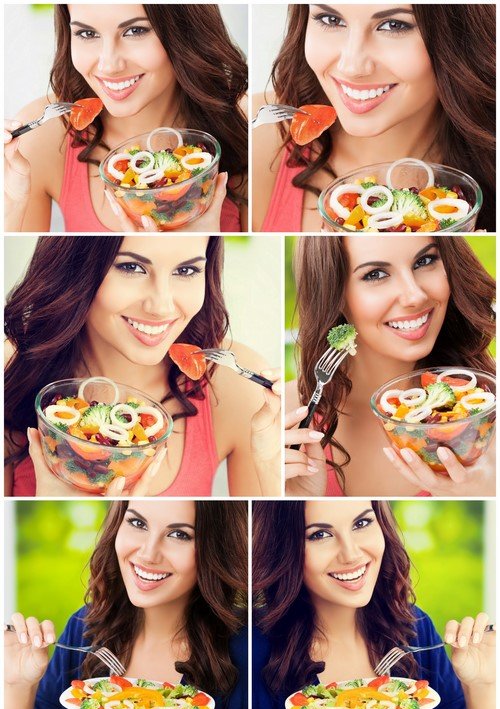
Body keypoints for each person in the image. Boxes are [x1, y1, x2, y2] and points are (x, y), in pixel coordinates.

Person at [4, 235, 282, 498]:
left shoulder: (237, 382)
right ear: (74, 267)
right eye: (131, 267)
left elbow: (261, 537)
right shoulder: (9, 368)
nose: (161, 306)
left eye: (186, 271)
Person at [5, 499, 248, 709]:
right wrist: (18, 686)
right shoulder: (83, 629)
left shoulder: (247, 650)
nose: (148, 554)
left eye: (179, 535)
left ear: (216, 547)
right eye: (138, 523)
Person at [252, 500, 496, 709]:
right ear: (283, 546)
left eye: (361, 524)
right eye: (320, 535)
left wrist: (482, 686)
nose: (351, 555)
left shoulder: (416, 628)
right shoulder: (253, 650)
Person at [4, 4, 248, 233]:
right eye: (87, 33)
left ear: (185, 30)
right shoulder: (42, 133)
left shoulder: (244, 120)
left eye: (135, 30)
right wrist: (10, 204)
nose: (109, 65)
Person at [252, 4, 495, 232]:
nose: (352, 66)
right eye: (330, 19)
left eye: (394, 25)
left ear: (461, 35)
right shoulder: (255, 130)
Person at [284, 235, 495, 497]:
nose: (414, 295)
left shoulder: (487, 399)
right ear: (332, 293)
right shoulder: (285, 417)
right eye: (375, 275)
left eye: (425, 260)